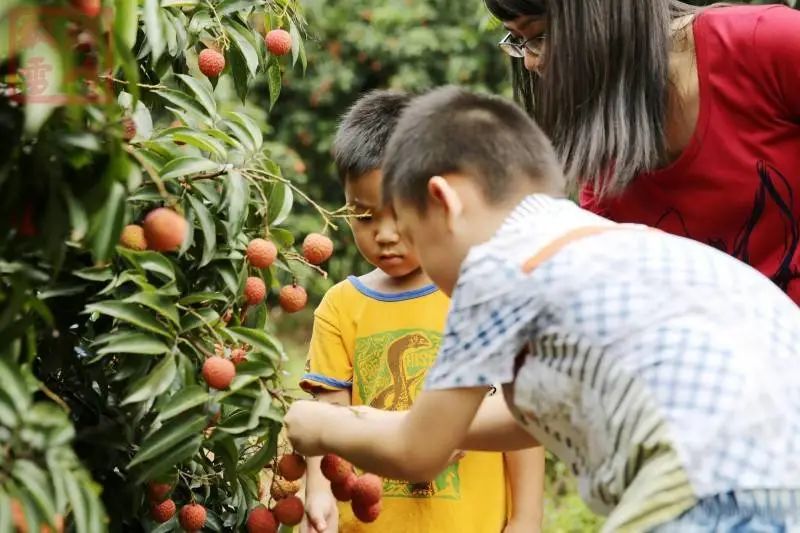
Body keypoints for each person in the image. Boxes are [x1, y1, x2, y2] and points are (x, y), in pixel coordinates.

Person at [285, 86, 800, 532]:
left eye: (414, 231)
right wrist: (373, 420)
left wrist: (321, 426)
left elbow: (419, 452)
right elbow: (530, 415)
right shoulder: (594, 240)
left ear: (444, 201)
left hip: (713, 483)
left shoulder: (491, 272)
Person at [297, 90, 545, 533]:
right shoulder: (341, 306)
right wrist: (317, 491)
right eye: (364, 217)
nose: (385, 234)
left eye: (398, 214)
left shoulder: (477, 296)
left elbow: (519, 418)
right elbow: (324, 420)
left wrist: (525, 517)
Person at [487, 0, 800, 304]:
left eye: (539, 34)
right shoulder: (604, 159)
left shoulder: (768, 43)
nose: (530, 61)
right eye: (519, 41)